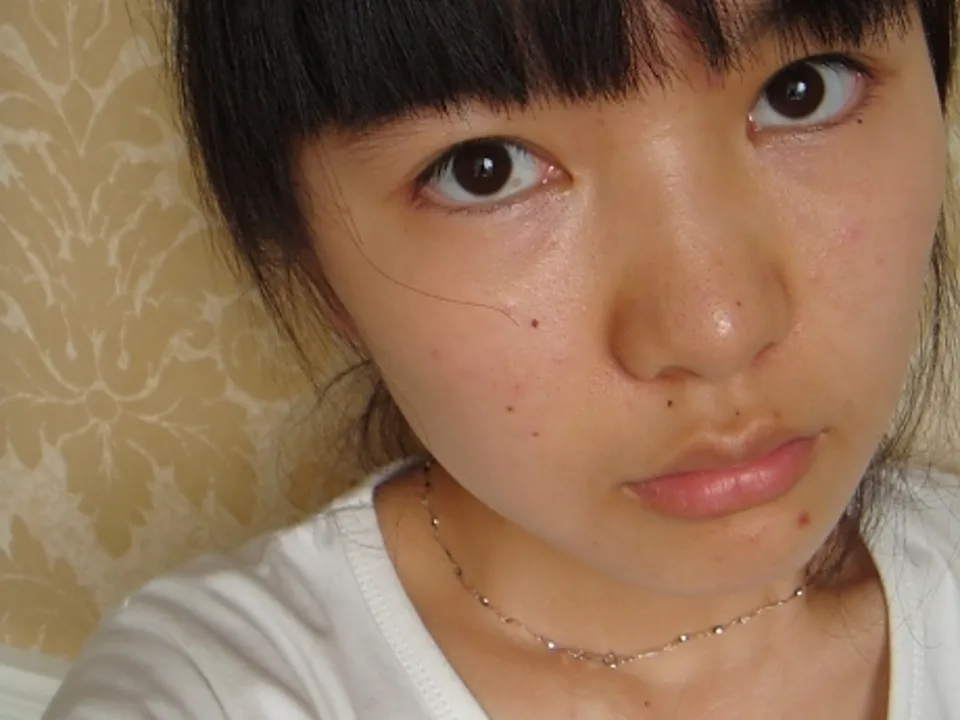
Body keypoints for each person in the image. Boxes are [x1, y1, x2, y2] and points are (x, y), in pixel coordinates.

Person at [44, 0, 960, 717]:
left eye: (803, 90)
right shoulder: (215, 692)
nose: (715, 330)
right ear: (317, 266)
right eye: (485, 169)